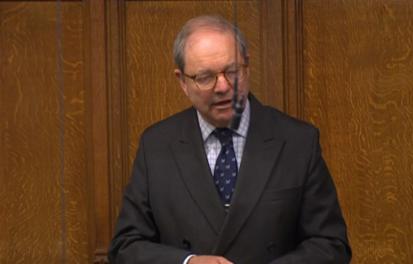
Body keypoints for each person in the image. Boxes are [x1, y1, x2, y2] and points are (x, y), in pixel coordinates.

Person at [108, 15, 351, 264]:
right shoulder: (157, 145)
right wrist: (188, 262)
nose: (223, 86)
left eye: (232, 71)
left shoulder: (298, 141)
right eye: (205, 77)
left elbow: (331, 245)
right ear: (182, 82)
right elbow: (126, 247)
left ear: (248, 66)